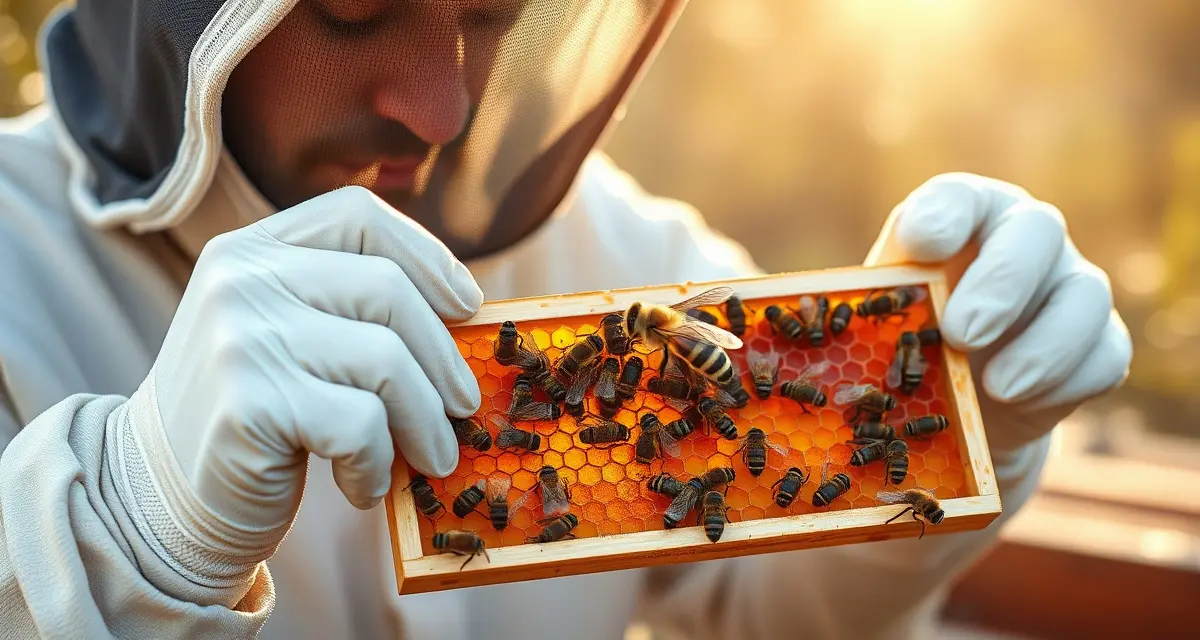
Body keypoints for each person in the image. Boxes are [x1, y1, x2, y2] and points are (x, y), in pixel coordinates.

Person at [0, 1, 1131, 638]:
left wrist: (935, 425)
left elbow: (746, 613)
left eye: (492, 13)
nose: (440, 108)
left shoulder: (622, 255)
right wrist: (134, 534)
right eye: (356, 8)